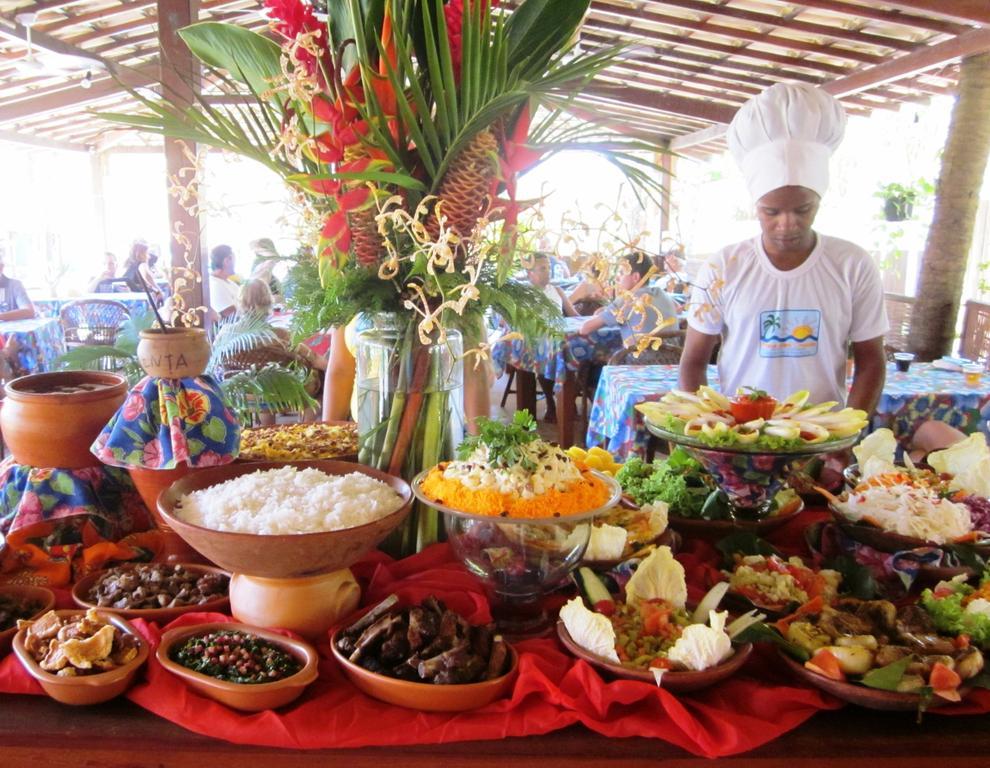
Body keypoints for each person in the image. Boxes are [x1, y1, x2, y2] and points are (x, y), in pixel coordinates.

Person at [679, 83, 888, 413]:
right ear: (754, 206)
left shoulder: (853, 264)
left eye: (803, 209)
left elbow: (872, 361)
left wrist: (847, 433)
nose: (787, 224)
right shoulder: (723, 267)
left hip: (823, 434)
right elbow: (693, 362)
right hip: (740, 433)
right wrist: (705, 425)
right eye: (771, 212)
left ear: (819, 201)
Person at [579, 252, 679, 342]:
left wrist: (604, 314)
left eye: (622, 273)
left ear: (635, 277)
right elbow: (678, 308)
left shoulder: (627, 300)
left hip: (640, 361)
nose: (617, 278)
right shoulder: (662, 293)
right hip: (672, 359)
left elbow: (584, 329)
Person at [526, 252, 577, 423]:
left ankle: (569, 400)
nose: (548, 272)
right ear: (530, 273)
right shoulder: (525, 293)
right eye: (542, 268)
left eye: (548, 267)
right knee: (546, 355)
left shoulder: (557, 290)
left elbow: (575, 316)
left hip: (561, 339)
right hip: (537, 342)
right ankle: (550, 401)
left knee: (579, 354)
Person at [0, 246, 36, 322]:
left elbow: (29, 311)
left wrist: (1, 316)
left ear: (1, 267)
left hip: (10, 332)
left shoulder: (14, 285)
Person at [208, 244, 240, 320]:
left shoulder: (230, 283)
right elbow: (230, 314)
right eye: (234, 260)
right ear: (226, 261)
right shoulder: (215, 285)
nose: (235, 263)